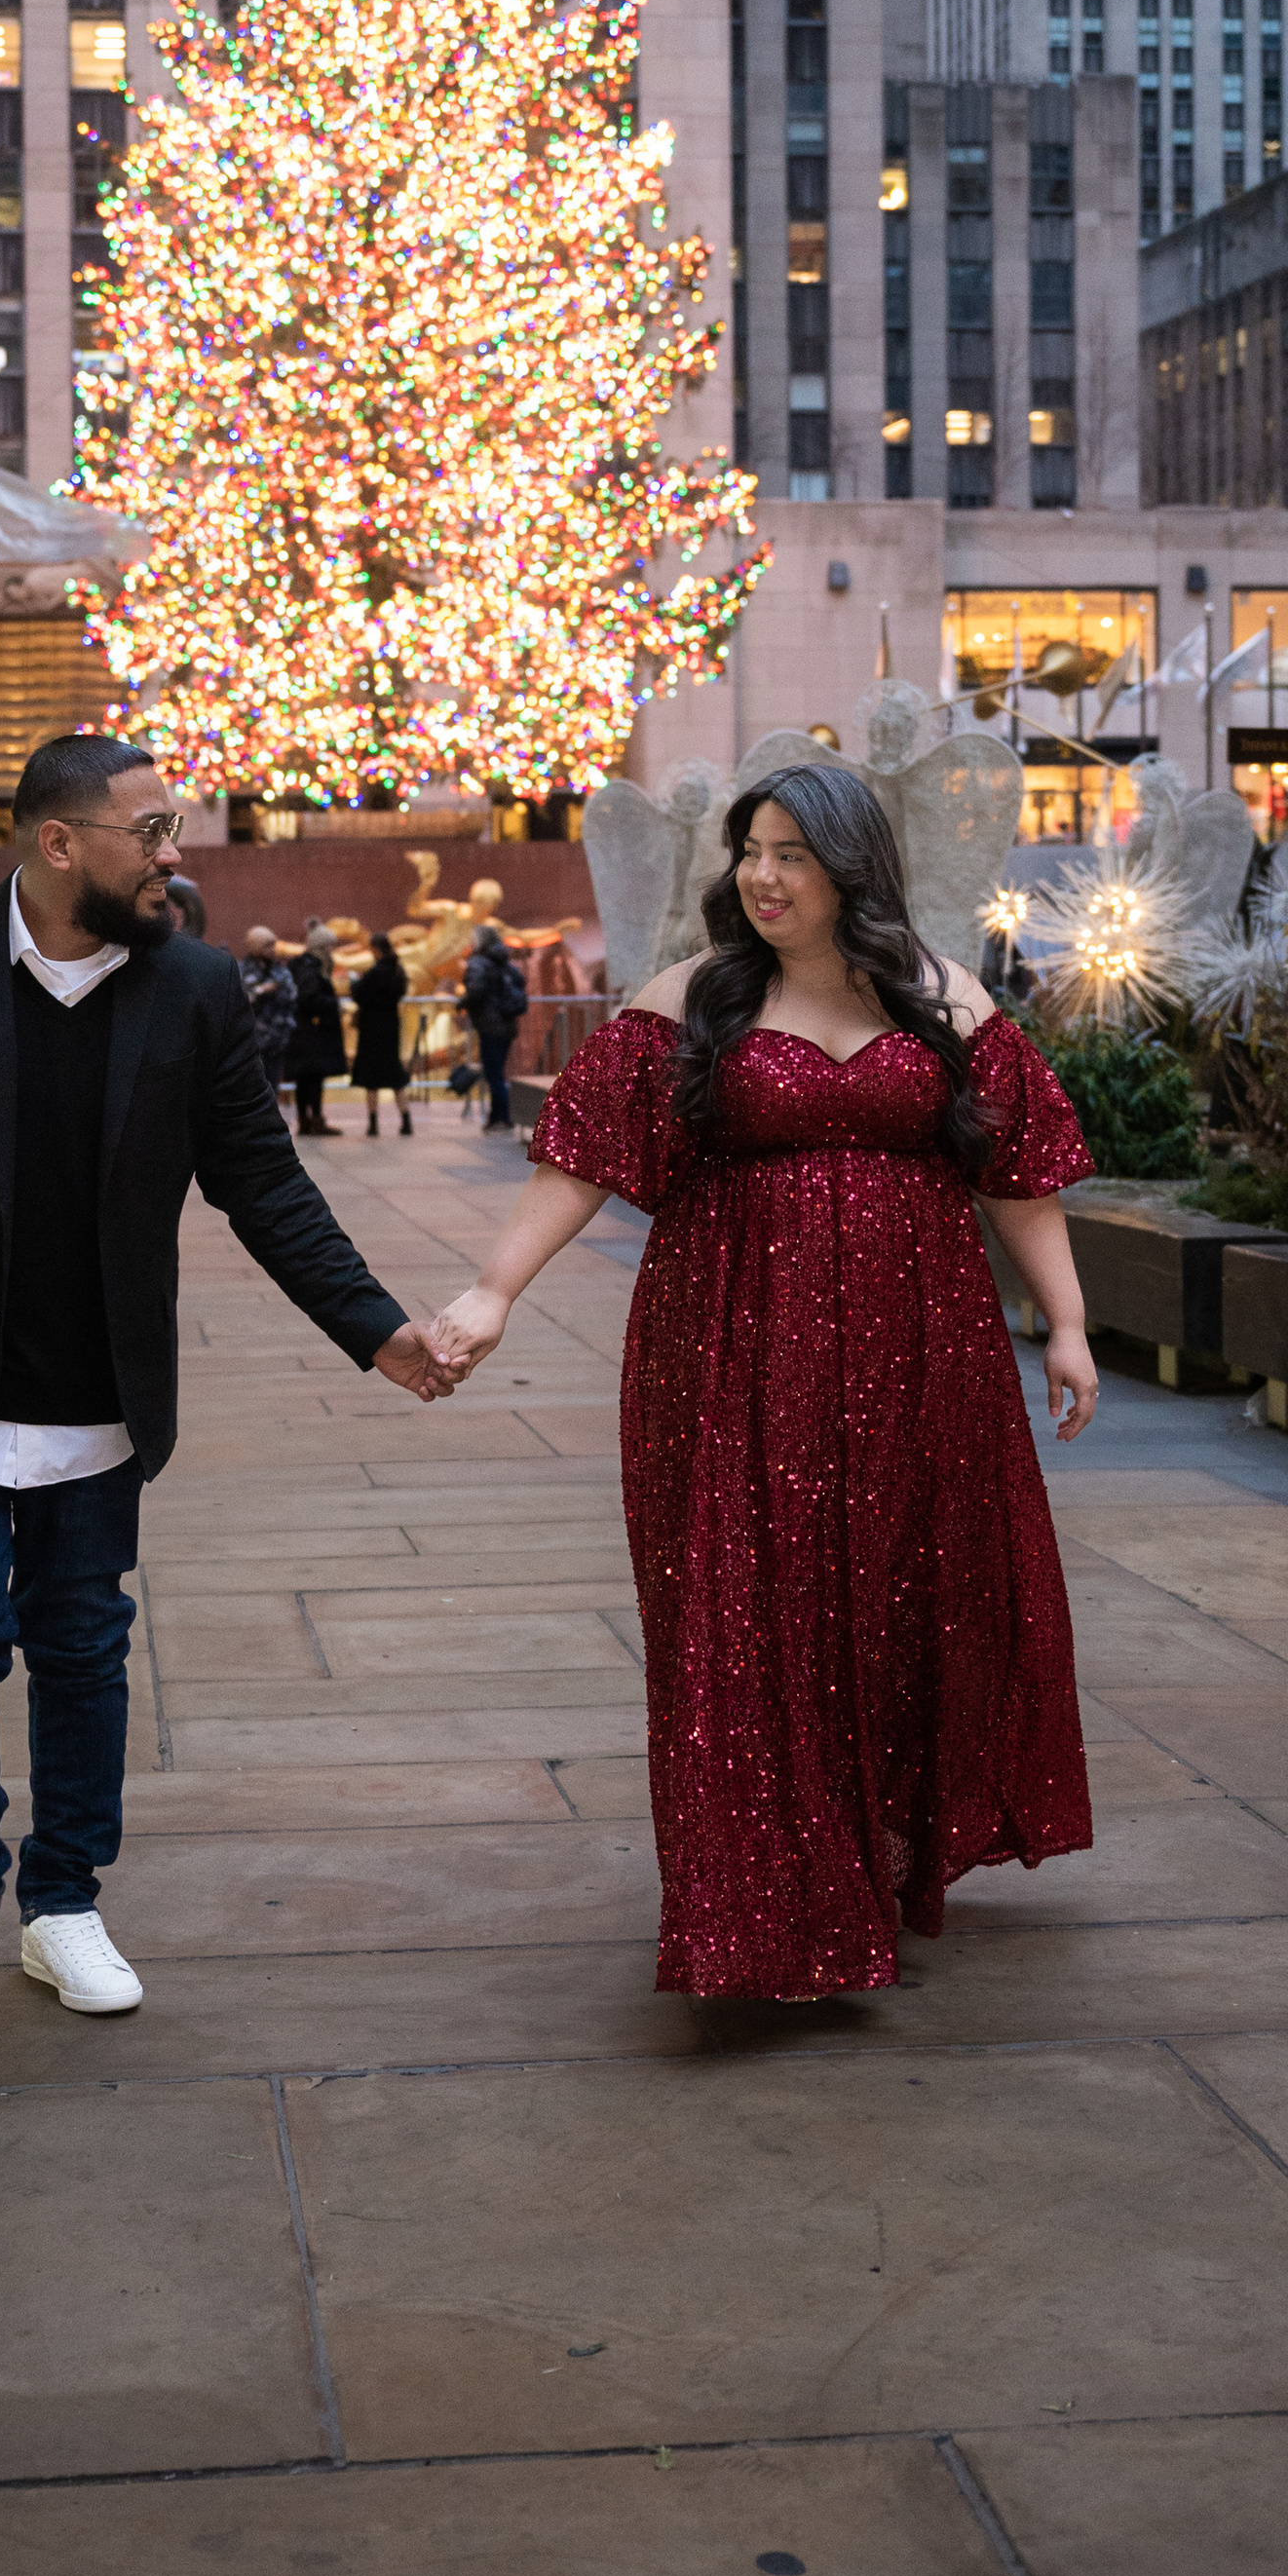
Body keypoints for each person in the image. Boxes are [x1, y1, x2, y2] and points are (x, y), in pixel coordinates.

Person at [0, 732, 458, 2048]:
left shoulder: (190, 988)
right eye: (154, 829)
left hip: (102, 1400)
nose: (174, 851)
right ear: (61, 843)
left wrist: (375, 1329)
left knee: (82, 1650)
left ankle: (62, 1902)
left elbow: (263, 1181)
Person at [431, 765, 1098, 2002]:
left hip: (923, 1352)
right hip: (731, 1345)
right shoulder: (695, 996)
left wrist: (1064, 1322)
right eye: (750, 848)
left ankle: (873, 1858)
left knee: (904, 1593)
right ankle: (765, 1904)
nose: (762, 874)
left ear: (852, 863)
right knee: (751, 1606)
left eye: (791, 850)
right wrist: (492, 1290)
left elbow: (1016, 1169)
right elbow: (579, 1161)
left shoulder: (944, 998)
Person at [460, 921, 530, 1133]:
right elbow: (519, 981)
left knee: (494, 1073)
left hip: (489, 1024)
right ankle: (497, 1116)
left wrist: (462, 1004)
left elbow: (475, 990)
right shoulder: (503, 962)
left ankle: (503, 1116)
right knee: (498, 1071)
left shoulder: (479, 963)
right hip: (506, 1023)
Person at [350, 928, 414, 1138]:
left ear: (376, 950)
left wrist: (354, 983)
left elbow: (360, 995)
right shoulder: (398, 970)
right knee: (394, 1075)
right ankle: (405, 1120)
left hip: (371, 1028)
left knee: (371, 1079)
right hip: (391, 1026)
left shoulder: (375, 972)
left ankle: (373, 1123)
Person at [288, 923, 348, 1137]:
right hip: (313, 1033)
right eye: (330, 947)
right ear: (321, 947)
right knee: (312, 1079)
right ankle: (313, 1120)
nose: (332, 952)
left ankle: (307, 1119)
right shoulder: (311, 970)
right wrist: (333, 1004)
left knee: (306, 1079)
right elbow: (309, 999)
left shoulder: (304, 966)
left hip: (305, 1032)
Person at [239, 928, 297, 1118]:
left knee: (273, 1086)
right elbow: (241, 999)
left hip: (277, 1038)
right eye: (267, 946)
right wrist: (261, 991)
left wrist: (278, 991)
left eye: (273, 945)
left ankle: (270, 1123)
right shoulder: (242, 969)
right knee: (252, 1087)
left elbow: (292, 995)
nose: (272, 949)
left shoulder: (280, 970)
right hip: (252, 1040)